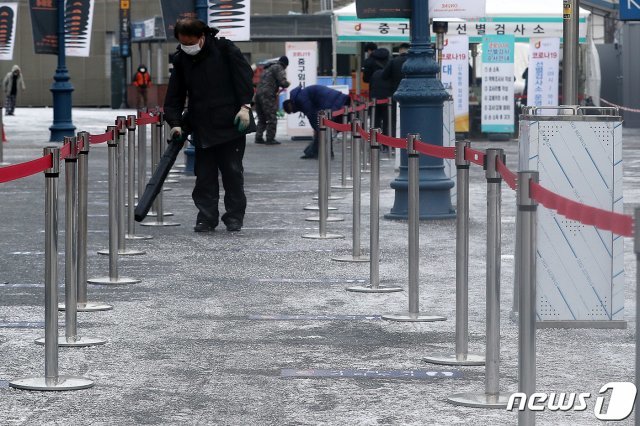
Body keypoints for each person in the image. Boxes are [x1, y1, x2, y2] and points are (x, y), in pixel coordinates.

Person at [164, 18, 254, 233]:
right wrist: (175, 123)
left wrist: (245, 107)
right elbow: (174, 95)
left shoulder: (225, 50)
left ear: (201, 36)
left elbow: (244, 77)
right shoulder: (181, 59)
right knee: (204, 176)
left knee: (232, 172)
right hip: (202, 124)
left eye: (190, 42)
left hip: (231, 123)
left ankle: (234, 217)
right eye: (183, 43)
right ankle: (206, 217)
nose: (188, 47)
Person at [283, 85, 350, 159]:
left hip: (334, 102)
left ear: (290, 106)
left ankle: (326, 153)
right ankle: (315, 152)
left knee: (323, 129)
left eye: (292, 111)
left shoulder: (300, 99)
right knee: (321, 129)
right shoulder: (299, 97)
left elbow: (311, 114)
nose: (294, 112)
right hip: (335, 100)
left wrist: (317, 128)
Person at [254, 56, 290, 145]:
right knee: (271, 117)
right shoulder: (278, 67)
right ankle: (270, 139)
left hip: (258, 94)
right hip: (267, 94)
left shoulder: (268, 68)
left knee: (262, 117)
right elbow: (283, 82)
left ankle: (258, 137)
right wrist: (287, 83)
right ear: (285, 64)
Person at [381, 43, 410, 137]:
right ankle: (409, 136)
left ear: (400, 50)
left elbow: (384, 76)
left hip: (395, 93)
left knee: (394, 118)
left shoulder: (393, 61)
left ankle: (394, 138)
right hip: (411, 93)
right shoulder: (412, 61)